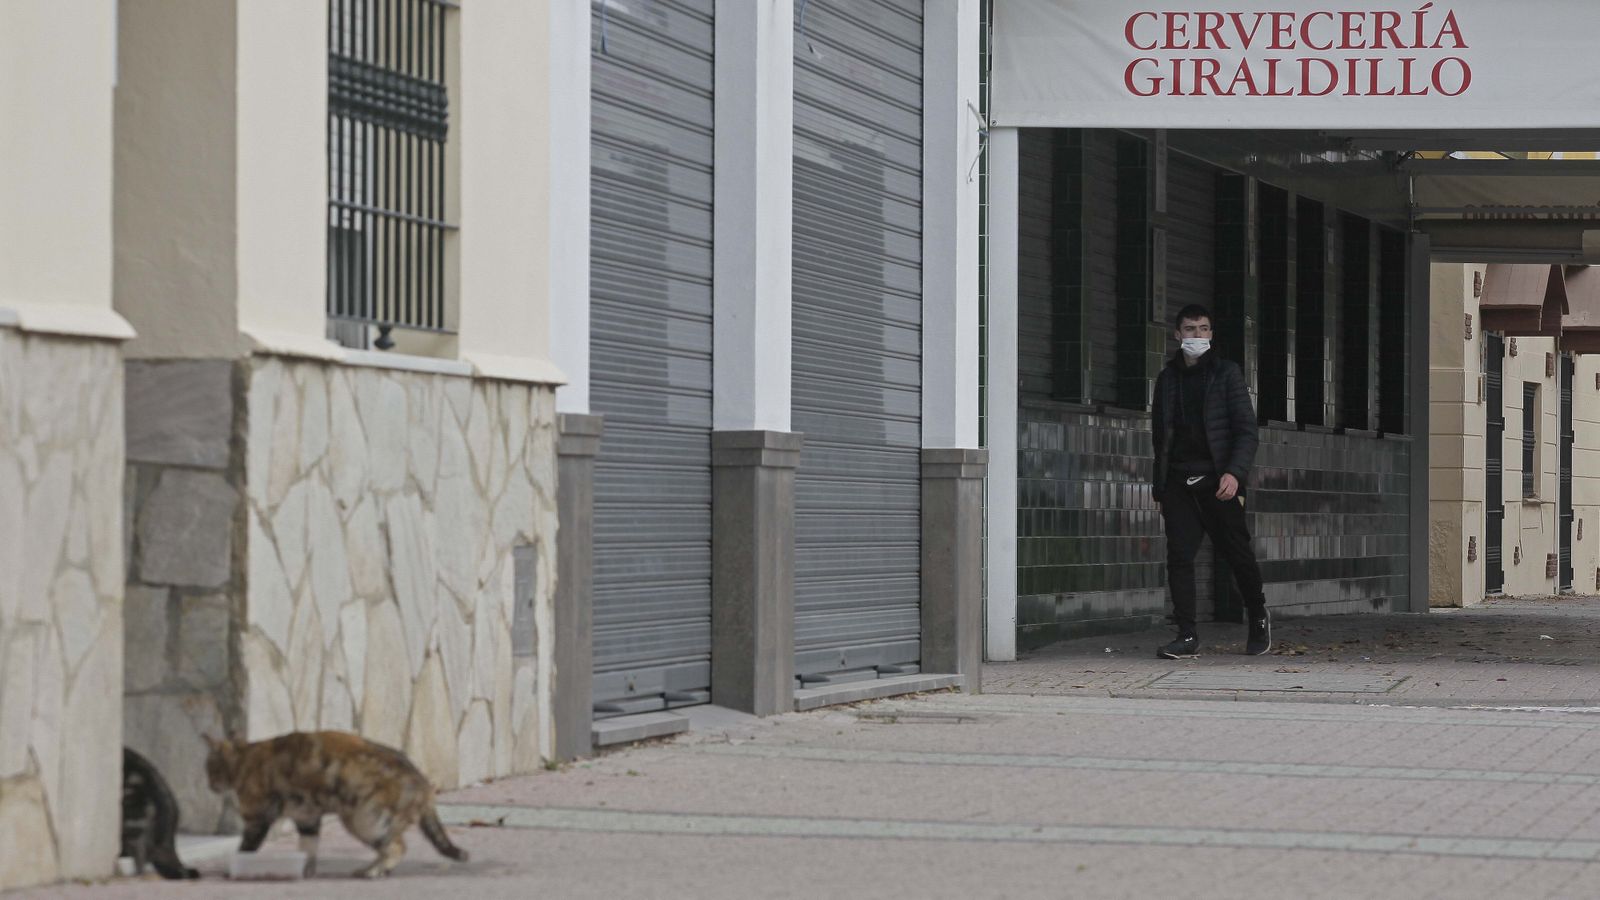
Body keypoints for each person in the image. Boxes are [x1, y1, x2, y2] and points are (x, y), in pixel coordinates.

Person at [1150, 304, 1271, 658]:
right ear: (1177, 334)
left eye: (1204, 329)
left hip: (1220, 482)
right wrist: (1160, 485)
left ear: (1211, 334)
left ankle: (1258, 616)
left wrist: (1234, 473)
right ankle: (1187, 634)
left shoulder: (1226, 374)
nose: (1197, 336)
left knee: (1237, 554)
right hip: (1178, 482)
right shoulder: (1168, 379)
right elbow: (1161, 437)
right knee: (1180, 556)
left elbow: (1246, 431)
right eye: (1190, 330)